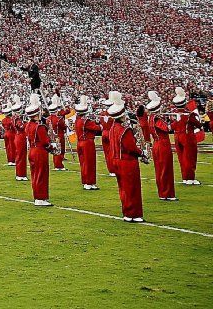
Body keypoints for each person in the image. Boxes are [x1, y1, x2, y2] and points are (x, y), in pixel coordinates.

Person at [108, 94, 144, 223]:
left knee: (123, 188)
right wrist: (142, 153)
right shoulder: (124, 130)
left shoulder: (113, 128)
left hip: (116, 160)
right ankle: (133, 213)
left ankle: (127, 212)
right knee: (132, 188)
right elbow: (131, 148)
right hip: (127, 161)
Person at [143, 91, 177, 201]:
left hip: (157, 144)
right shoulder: (156, 118)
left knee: (160, 169)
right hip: (162, 144)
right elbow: (167, 129)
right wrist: (177, 121)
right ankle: (167, 193)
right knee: (165, 169)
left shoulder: (151, 118)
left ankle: (162, 192)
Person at [24, 94, 54, 206]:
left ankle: (37, 196)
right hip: (39, 152)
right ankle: (41, 198)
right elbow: (45, 142)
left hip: (31, 150)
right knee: (41, 174)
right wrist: (52, 147)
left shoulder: (28, 125)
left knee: (35, 174)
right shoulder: (39, 127)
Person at [170, 87, 201, 185]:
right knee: (190, 158)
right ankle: (190, 178)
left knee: (182, 158)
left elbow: (172, 126)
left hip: (177, 136)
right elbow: (198, 125)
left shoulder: (175, 114)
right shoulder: (189, 114)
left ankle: (185, 177)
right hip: (188, 136)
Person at [73, 97, 101, 190]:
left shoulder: (77, 120)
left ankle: (86, 181)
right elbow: (97, 128)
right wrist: (100, 123)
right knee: (90, 163)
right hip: (87, 143)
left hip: (80, 142)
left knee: (84, 163)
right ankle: (89, 182)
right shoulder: (86, 121)